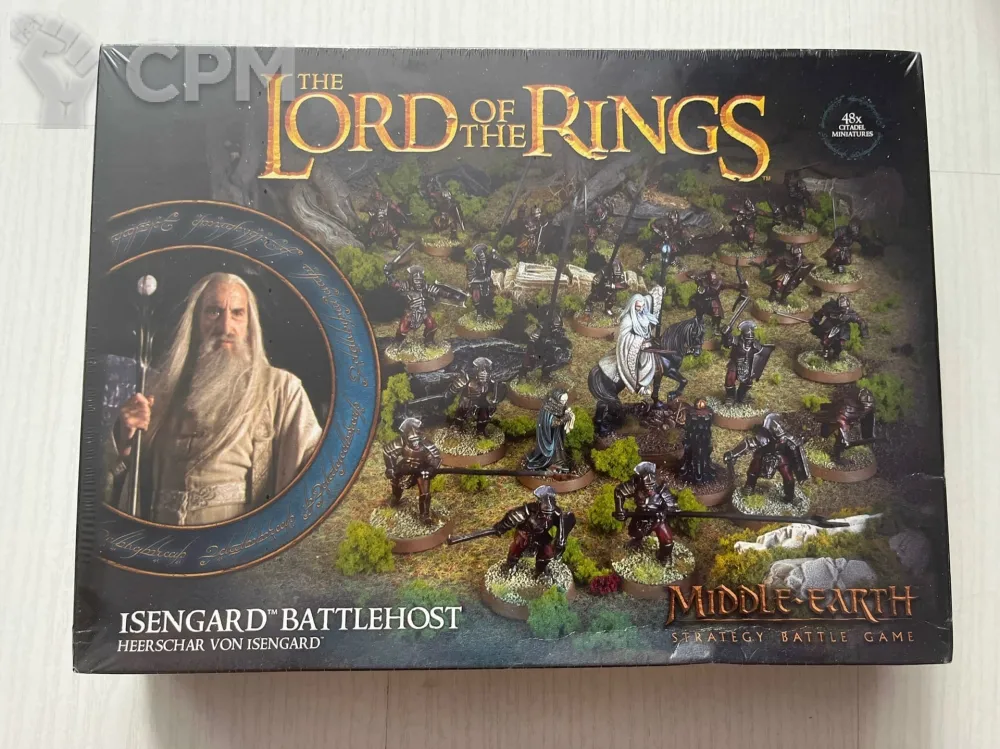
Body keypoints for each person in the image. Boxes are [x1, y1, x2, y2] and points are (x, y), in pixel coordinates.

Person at [111, 272, 323, 525]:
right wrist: (126, 441)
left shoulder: (281, 390)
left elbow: (316, 473)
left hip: (236, 543)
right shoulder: (164, 392)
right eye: (213, 312)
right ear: (195, 322)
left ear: (249, 325)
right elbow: (129, 484)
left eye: (237, 313)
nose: (225, 327)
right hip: (164, 542)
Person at [382, 417, 442, 523]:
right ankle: (395, 497)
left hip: (422, 469)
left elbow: (436, 457)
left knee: (425, 492)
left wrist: (431, 469)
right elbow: (388, 452)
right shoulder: (401, 442)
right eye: (412, 440)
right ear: (406, 438)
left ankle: (425, 514)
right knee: (396, 481)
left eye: (417, 440)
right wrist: (390, 468)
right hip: (406, 467)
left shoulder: (426, 444)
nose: (415, 443)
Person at [616, 287, 664, 396]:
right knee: (645, 357)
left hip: (646, 340)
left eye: (642, 306)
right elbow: (624, 336)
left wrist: (660, 292)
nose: (641, 309)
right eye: (638, 307)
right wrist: (640, 341)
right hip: (636, 344)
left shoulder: (644, 313)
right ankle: (641, 384)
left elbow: (650, 301)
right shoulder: (627, 319)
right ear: (633, 306)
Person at [524, 389, 575, 474]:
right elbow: (554, 423)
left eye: (566, 400)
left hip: (557, 432)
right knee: (554, 448)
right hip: (549, 434)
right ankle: (554, 462)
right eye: (562, 400)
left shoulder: (560, 404)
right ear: (557, 398)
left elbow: (562, 411)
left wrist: (567, 413)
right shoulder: (548, 408)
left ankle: (560, 460)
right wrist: (565, 417)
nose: (564, 402)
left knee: (559, 446)